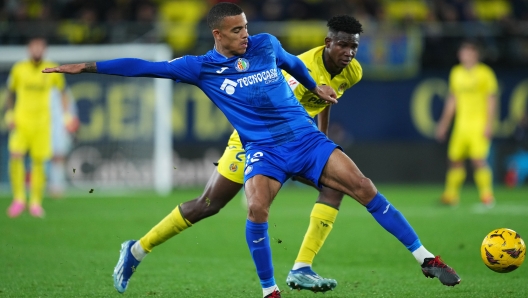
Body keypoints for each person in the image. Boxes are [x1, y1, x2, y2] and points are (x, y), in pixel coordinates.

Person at [44, 3, 460, 297]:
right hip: (255, 145)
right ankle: (136, 250)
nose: (246, 34)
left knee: (360, 186)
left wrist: (314, 86)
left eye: (246, 26)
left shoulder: (266, 44)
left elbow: (289, 63)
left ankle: (423, 258)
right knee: (213, 205)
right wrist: (88, 66)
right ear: (218, 34)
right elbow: (143, 66)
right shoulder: (199, 67)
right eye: (237, 29)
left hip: (304, 140)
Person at [4, 37, 77, 218]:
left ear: (44, 50)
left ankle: (35, 202)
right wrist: (9, 114)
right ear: (28, 49)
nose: (36, 50)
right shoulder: (19, 69)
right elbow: (10, 93)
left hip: (43, 124)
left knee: (39, 162)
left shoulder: (52, 68)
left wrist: (67, 116)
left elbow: (63, 94)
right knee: (15, 156)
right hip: (22, 122)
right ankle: (19, 199)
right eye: (33, 47)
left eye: (40, 47)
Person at [436, 40, 498, 207]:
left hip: (478, 124)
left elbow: (491, 100)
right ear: (459, 55)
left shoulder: (485, 73)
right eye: (464, 53)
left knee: (478, 160)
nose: (467, 56)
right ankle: (451, 195)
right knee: (455, 159)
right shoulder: (456, 73)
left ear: (476, 55)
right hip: (461, 125)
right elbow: (452, 101)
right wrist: (444, 124)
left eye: (470, 53)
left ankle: (487, 196)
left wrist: (489, 124)